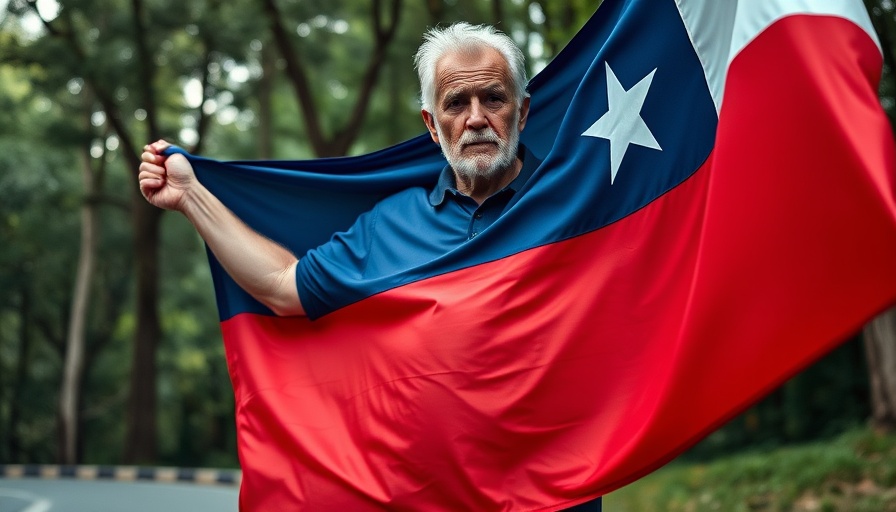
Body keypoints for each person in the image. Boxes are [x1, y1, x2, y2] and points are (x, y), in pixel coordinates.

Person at [139, 23, 601, 511]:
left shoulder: (575, 205)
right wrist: (191, 196)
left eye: (494, 99)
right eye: (456, 104)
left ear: (523, 111)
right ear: (431, 123)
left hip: (551, 500)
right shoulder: (391, 224)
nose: (477, 119)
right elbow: (282, 287)